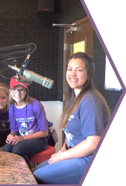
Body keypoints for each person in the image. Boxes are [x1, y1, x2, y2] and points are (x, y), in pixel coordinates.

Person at [33, 52, 111, 184]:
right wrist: (64, 148)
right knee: (35, 171)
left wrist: (60, 156)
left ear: (89, 73)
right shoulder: (74, 98)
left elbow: (93, 143)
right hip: (76, 155)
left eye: (79, 70)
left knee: (36, 177)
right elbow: (71, 132)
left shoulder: (90, 101)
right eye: (70, 69)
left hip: (87, 159)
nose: (72, 74)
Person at [2, 75, 49, 169]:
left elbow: (44, 132)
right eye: (15, 90)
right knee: (6, 149)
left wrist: (23, 138)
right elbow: (14, 130)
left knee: (17, 149)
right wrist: (11, 135)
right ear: (10, 91)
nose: (18, 93)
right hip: (22, 138)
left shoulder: (36, 105)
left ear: (26, 91)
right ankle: (16, 174)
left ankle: (28, 177)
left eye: (21, 90)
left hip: (39, 140)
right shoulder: (12, 108)